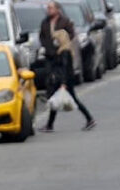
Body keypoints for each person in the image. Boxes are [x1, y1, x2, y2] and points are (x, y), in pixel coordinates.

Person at [39, 4, 94, 132]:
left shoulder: (65, 52)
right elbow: (42, 37)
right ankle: (50, 125)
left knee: (71, 98)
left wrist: (63, 83)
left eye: (51, 7)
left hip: (66, 78)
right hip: (59, 72)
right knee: (55, 98)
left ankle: (89, 118)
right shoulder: (46, 24)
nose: (55, 40)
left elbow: (65, 68)